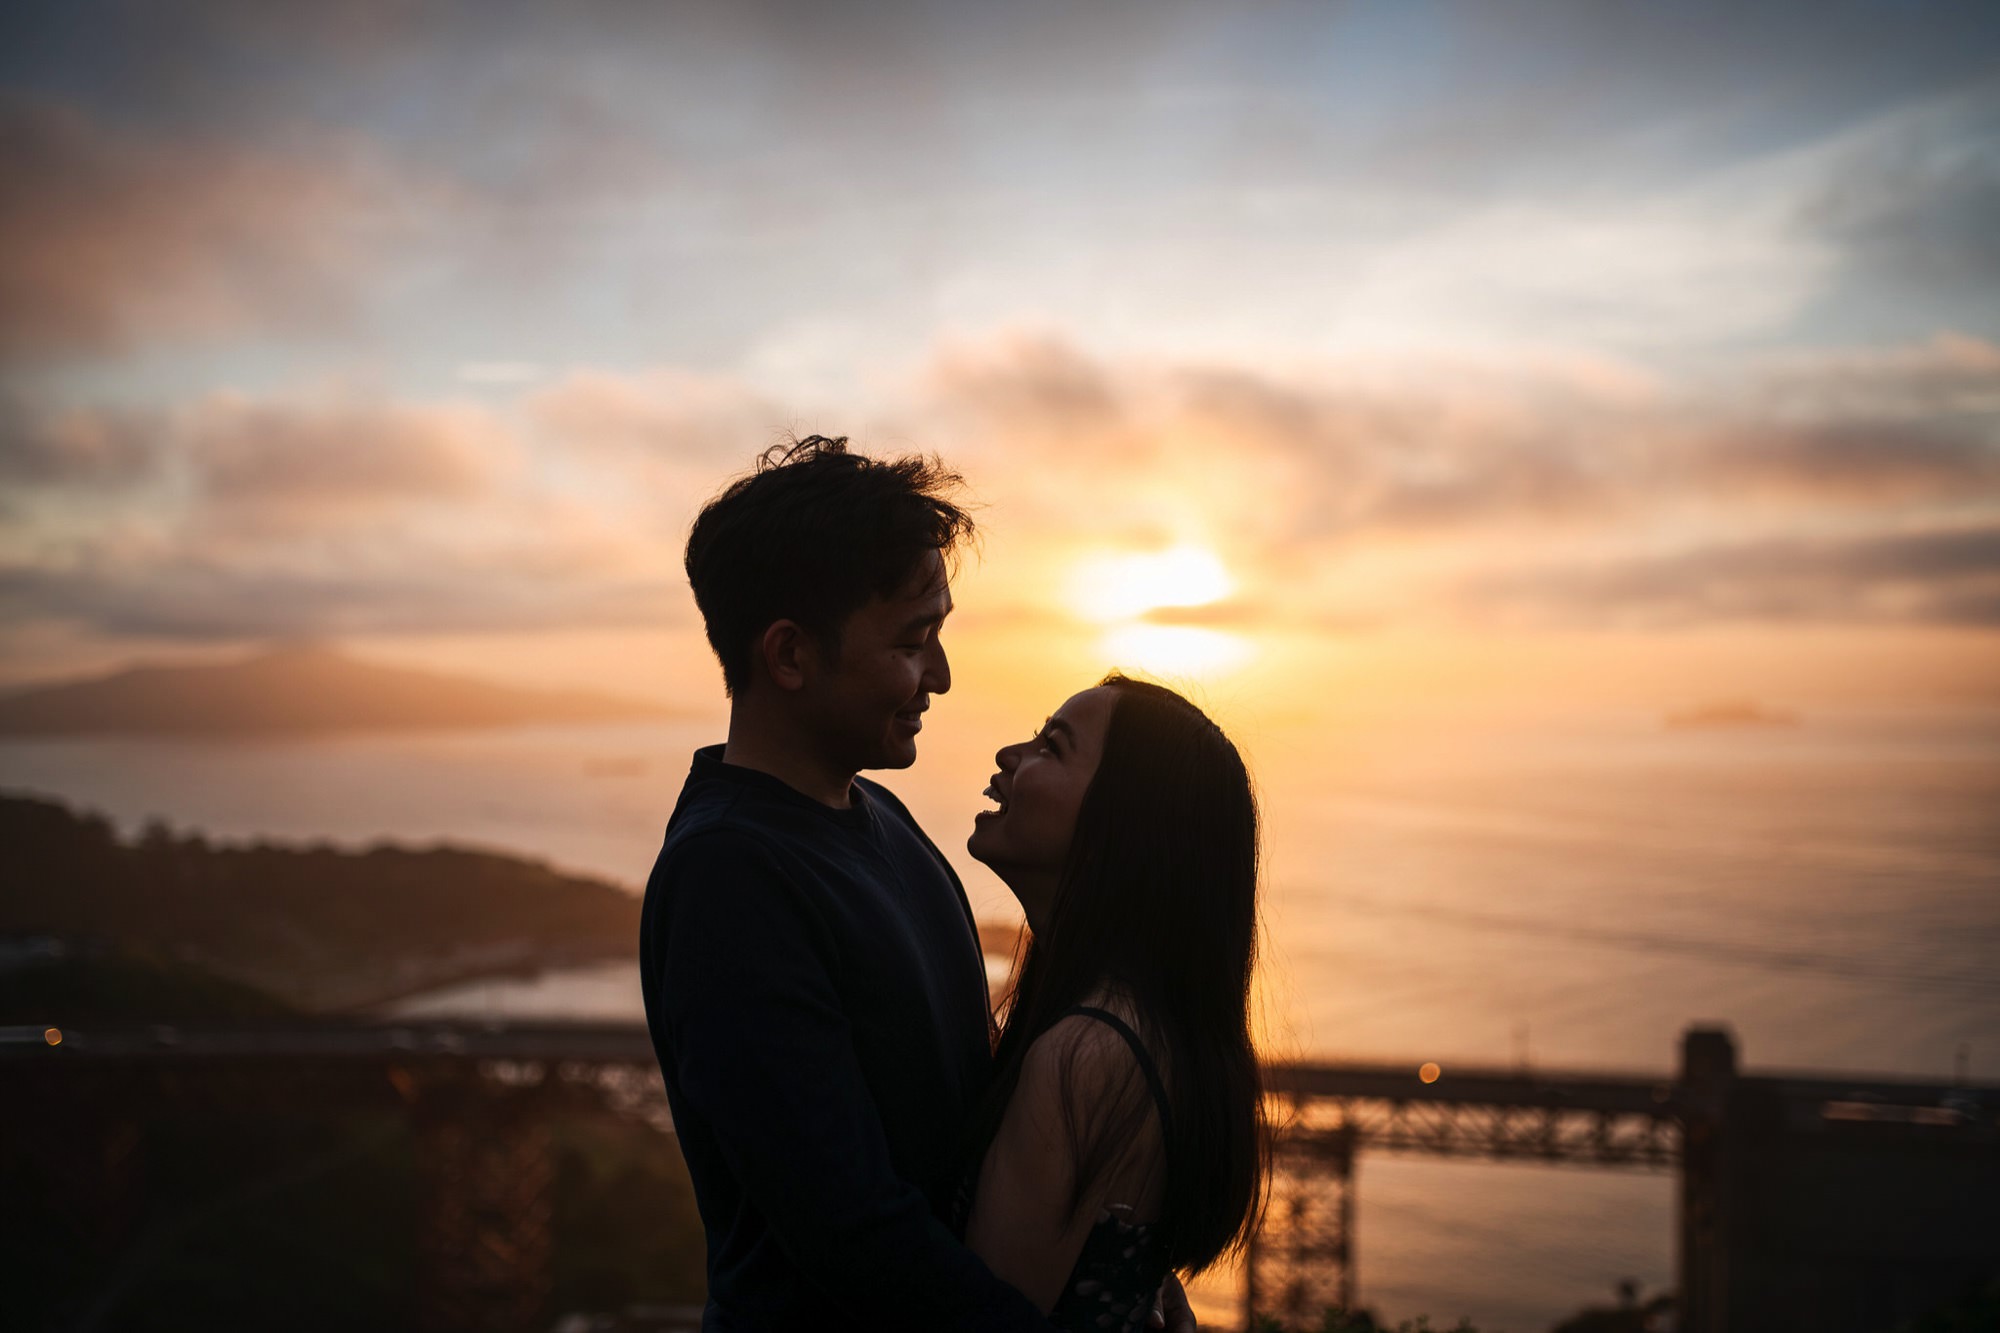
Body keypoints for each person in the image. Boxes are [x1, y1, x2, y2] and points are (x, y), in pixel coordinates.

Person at [638, 437, 1196, 1332]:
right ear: (789, 654)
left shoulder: (884, 823)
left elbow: (967, 1128)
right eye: (912, 641)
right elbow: (853, 1232)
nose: (938, 676)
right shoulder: (729, 876)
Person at [959, 675, 1267, 1330]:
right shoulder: (1146, 1031)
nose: (1010, 755)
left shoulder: (1085, 1058)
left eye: (1052, 746)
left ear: (1120, 824)